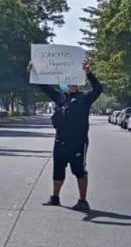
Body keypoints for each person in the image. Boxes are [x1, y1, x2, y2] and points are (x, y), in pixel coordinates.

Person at [29, 59, 102, 211]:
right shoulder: (60, 97)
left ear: (78, 84)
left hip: (78, 142)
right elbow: (44, 87)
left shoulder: (85, 98)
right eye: (69, 83)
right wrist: (34, 71)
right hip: (60, 141)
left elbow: (98, 89)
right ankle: (55, 197)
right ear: (65, 84)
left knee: (79, 171)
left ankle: (83, 200)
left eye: (74, 83)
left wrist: (89, 73)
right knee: (58, 170)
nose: (71, 85)